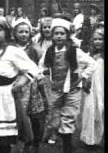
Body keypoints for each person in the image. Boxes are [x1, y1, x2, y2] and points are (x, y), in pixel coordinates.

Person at [0, 18, 39, 153]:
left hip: (4, 97)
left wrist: (21, 82)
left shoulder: (12, 51)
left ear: (7, 32)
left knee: (3, 138)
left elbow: (32, 68)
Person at [38, 18, 96, 153]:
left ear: (67, 35)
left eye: (62, 33)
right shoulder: (50, 51)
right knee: (55, 115)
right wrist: (44, 74)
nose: (59, 36)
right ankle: (58, 135)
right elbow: (41, 66)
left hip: (72, 88)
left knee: (69, 115)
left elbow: (92, 63)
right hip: (56, 88)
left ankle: (67, 145)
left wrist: (83, 75)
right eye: (56, 33)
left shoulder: (74, 51)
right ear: (52, 36)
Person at [12, 18, 48, 153]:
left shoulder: (34, 50)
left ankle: (34, 142)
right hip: (16, 82)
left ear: (30, 33)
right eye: (20, 32)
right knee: (17, 113)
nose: (23, 34)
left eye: (26, 32)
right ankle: (19, 137)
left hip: (30, 84)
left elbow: (39, 66)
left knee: (33, 114)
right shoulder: (11, 48)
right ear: (15, 33)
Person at [80, 26, 104, 147]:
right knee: (91, 111)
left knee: (101, 110)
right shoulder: (90, 55)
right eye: (95, 39)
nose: (97, 42)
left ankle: (99, 137)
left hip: (102, 87)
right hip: (92, 88)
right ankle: (90, 139)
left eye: (100, 39)